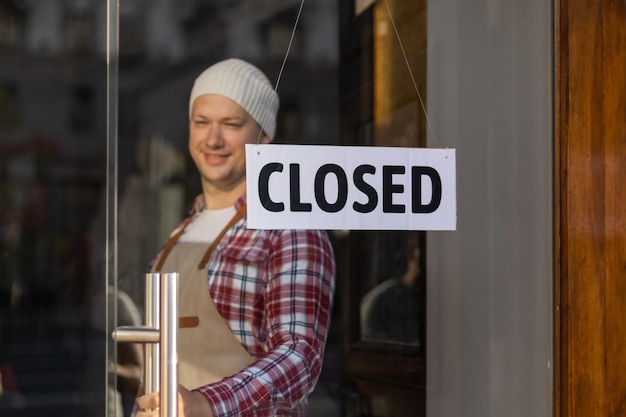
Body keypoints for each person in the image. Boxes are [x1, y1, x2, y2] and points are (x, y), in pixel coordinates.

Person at [135, 58, 336, 417]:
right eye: (201, 122)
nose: (213, 139)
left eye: (231, 124)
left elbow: (299, 355)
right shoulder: (180, 233)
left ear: (264, 138)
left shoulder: (291, 226)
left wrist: (207, 404)